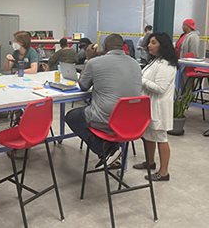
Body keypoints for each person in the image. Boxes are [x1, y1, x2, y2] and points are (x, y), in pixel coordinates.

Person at [65, 34, 142, 167]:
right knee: (101, 110)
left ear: (104, 47)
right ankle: (113, 149)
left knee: (72, 116)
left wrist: (89, 59)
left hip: (109, 119)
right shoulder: (135, 63)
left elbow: (83, 86)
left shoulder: (94, 62)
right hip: (132, 120)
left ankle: (105, 150)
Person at [133, 32, 177, 182]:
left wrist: (141, 79)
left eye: (153, 43)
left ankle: (164, 173)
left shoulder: (166, 65)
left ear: (162, 45)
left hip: (159, 108)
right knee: (148, 136)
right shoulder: (156, 61)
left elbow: (160, 88)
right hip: (149, 106)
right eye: (149, 43)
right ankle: (150, 162)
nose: (149, 46)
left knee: (161, 138)